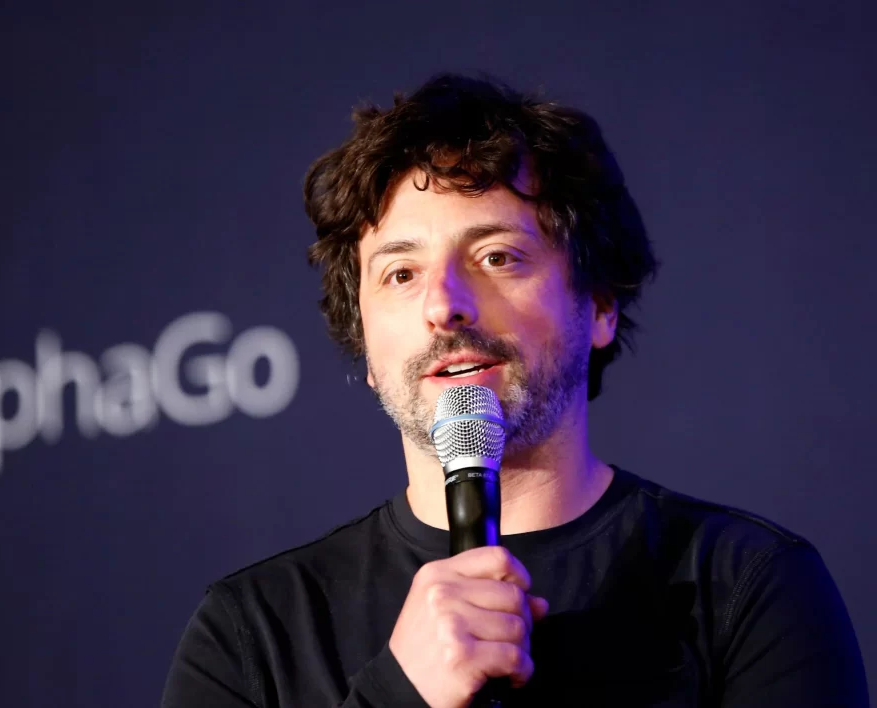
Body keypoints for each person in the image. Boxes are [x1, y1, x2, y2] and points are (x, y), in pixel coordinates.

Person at [160, 73, 868, 707]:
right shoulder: (252, 633)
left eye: (497, 257)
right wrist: (398, 696)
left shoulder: (746, 585)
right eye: (401, 274)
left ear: (599, 305)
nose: (445, 304)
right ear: (366, 345)